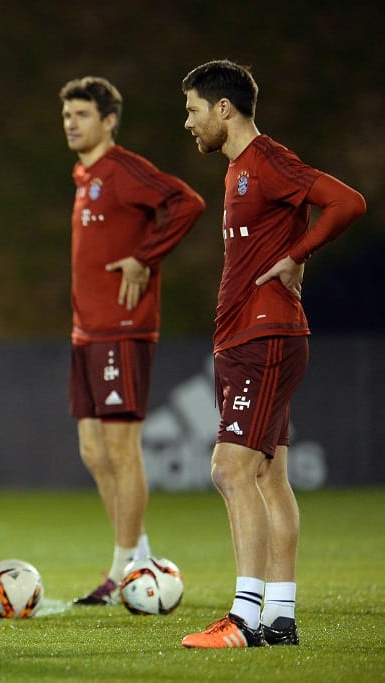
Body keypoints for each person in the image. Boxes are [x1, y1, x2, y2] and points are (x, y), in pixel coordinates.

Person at [180, 60, 366, 648]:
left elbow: (347, 202)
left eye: (192, 109)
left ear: (223, 109)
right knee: (268, 477)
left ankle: (243, 618)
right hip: (253, 337)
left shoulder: (266, 160)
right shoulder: (239, 169)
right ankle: (280, 617)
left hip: (262, 338)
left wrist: (299, 254)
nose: (188, 122)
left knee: (229, 470)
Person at [59, 77, 205, 605]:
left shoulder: (122, 169)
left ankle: (123, 567)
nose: (71, 122)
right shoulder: (85, 175)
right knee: (93, 450)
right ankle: (137, 557)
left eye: (82, 114)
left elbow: (187, 202)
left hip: (122, 329)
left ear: (109, 121)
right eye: (67, 114)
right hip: (86, 331)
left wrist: (146, 258)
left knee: (122, 449)